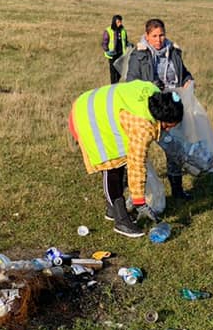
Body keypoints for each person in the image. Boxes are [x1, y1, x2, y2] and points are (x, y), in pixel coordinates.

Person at [69, 80, 184, 237]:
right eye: (169, 126)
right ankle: (121, 221)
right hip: (86, 116)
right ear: (161, 118)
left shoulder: (154, 94)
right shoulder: (143, 128)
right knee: (111, 167)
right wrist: (139, 202)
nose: (169, 129)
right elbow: (136, 165)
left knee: (119, 161)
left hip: (101, 109)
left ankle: (113, 210)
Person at [126, 18, 193, 200]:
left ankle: (177, 190)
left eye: (161, 35)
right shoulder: (138, 55)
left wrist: (187, 79)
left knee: (175, 149)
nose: (159, 39)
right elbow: (130, 83)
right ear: (147, 35)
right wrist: (152, 90)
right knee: (140, 152)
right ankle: (138, 194)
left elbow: (183, 72)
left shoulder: (173, 52)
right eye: (154, 36)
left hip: (172, 108)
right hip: (150, 111)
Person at [101, 14, 129, 84]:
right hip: (112, 54)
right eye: (118, 22)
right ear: (114, 22)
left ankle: (117, 81)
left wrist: (128, 44)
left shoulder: (123, 30)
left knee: (120, 70)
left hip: (121, 54)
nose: (120, 23)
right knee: (113, 71)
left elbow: (125, 40)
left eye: (120, 22)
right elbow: (105, 41)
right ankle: (113, 85)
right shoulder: (108, 30)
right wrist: (107, 50)